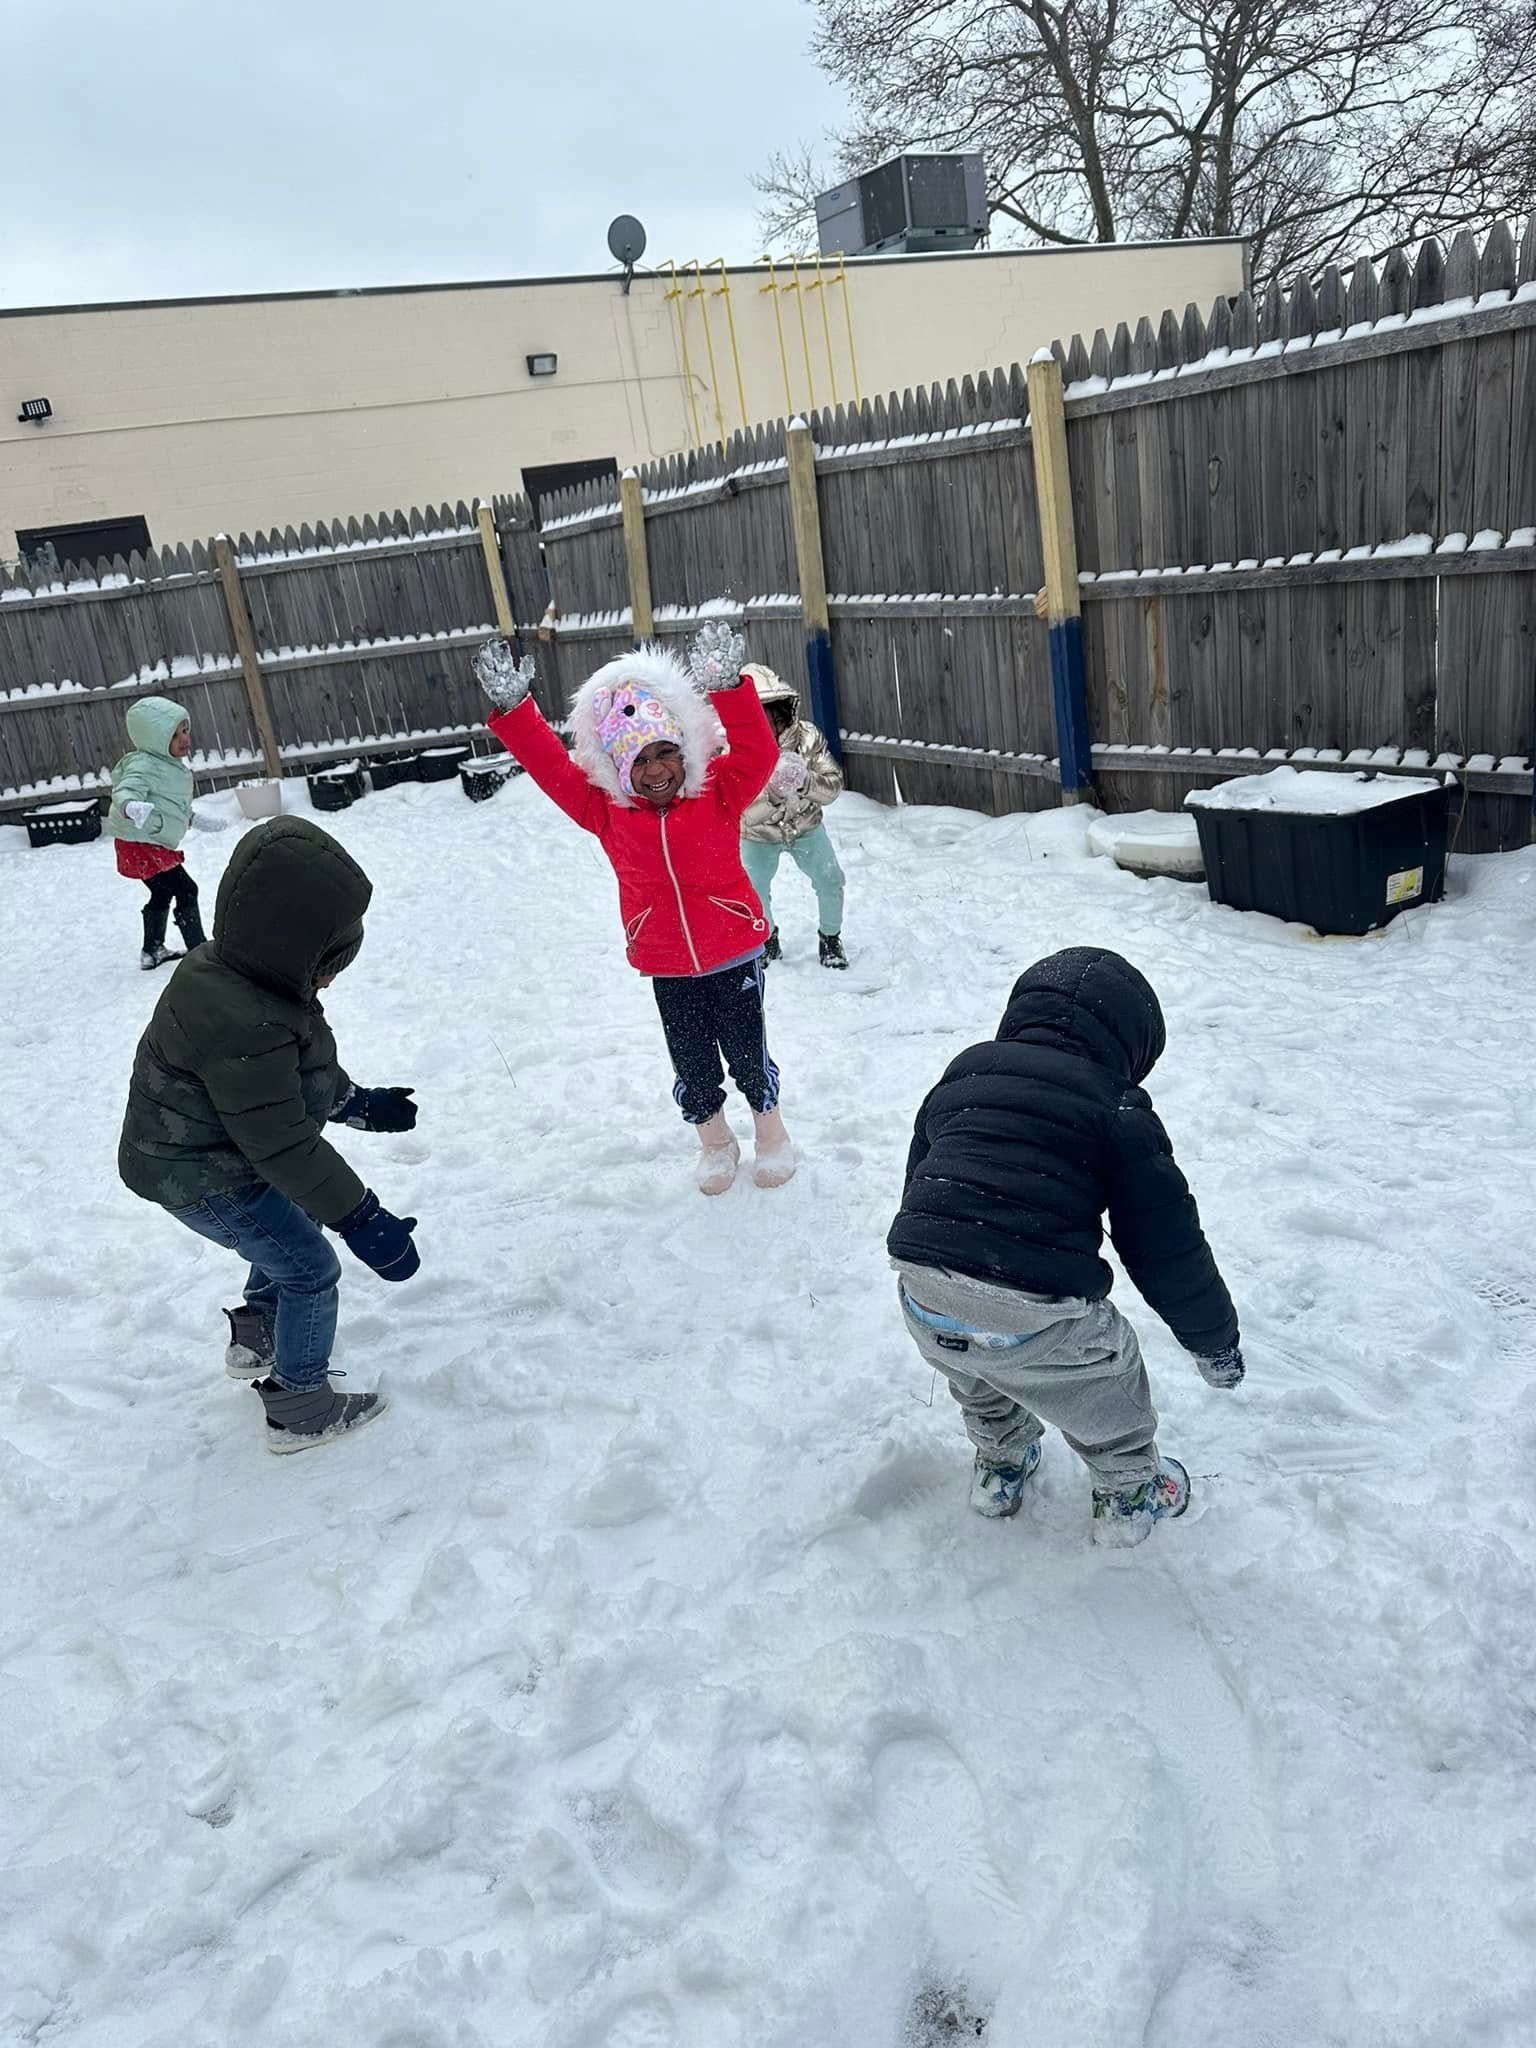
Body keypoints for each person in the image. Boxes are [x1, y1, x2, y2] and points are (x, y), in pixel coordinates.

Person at [887, 947, 1243, 1546]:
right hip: (1033, 1312)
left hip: (923, 1289)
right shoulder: (1117, 1107)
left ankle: (1001, 1467)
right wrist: (1214, 1341)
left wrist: (939, 1258)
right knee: (1107, 1378)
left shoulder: (967, 1069)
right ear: (1132, 1048)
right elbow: (1165, 1247)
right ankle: (1130, 1492)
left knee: (976, 1369)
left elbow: (921, 1177)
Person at [117, 816, 421, 1454]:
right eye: (327, 966)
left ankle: (258, 1330)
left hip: (210, 1155)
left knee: (282, 1231)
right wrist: (361, 1217)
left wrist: (358, 1103)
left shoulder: (239, 976)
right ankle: (300, 1406)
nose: (331, 980)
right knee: (310, 1266)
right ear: (293, 949)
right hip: (198, 1175)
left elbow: (290, 1085)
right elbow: (281, 1141)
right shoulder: (243, 1019)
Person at [473, 623, 792, 1196]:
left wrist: (725, 687)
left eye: (667, 752)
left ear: (685, 750)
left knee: (748, 1053)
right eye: (639, 759)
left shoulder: (718, 790)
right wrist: (516, 710)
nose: (655, 770)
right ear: (619, 768)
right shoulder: (608, 813)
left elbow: (760, 750)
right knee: (692, 1064)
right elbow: (551, 770)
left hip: (732, 953)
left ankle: (772, 1134)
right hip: (667, 962)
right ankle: (715, 1143)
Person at [738, 663, 848, 968]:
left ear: (782, 711)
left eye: (768, 715)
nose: (762, 723)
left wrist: (805, 781)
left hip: (806, 825)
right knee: (753, 887)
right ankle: (767, 939)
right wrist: (772, 794)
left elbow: (834, 785)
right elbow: (739, 811)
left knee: (830, 879)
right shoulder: (734, 748)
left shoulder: (807, 737)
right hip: (757, 834)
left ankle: (830, 938)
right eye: (753, 715)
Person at [106, 695, 222, 970]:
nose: (184, 738)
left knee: (161, 893)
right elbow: (126, 790)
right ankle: (200, 953)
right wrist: (130, 806)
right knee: (186, 889)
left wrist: (192, 818)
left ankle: (152, 949)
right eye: (174, 735)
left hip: (149, 840)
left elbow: (168, 805)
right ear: (155, 738)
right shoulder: (143, 765)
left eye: (185, 730)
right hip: (141, 843)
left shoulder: (168, 766)